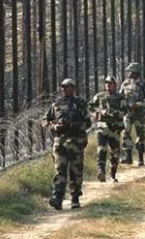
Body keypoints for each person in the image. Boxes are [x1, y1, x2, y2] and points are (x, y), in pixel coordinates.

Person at [42, 78, 91, 210]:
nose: (64, 89)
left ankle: (75, 198)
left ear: (73, 88)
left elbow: (87, 123)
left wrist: (71, 124)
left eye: (67, 87)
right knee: (60, 170)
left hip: (76, 142)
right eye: (62, 87)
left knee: (76, 171)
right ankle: (58, 198)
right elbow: (45, 120)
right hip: (60, 143)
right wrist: (54, 126)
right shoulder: (57, 104)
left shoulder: (80, 103)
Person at [89, 75, 128, 182]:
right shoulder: (99, 96)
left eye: (110, 83)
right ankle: (100, 171)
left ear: (115, 85)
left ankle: (113, 174)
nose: (108, 85)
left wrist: (115, 114)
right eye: (106, 83)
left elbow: (125, 110)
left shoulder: (120, 97)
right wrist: (99, 113)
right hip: (102, 127)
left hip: (115, 129)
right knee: (102, 149)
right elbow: (90, 107)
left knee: (115, 152)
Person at [120, 63, 145, 166]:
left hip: (139, 113)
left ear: (136, 72)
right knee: (126, 133)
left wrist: (137, 105)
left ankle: (141, 158)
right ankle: (128, 157)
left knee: (140, 135)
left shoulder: (143, 84)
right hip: (128, 114)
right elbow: (120, 97)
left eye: (131, 71)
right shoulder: (125, 84)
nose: (129, 73)